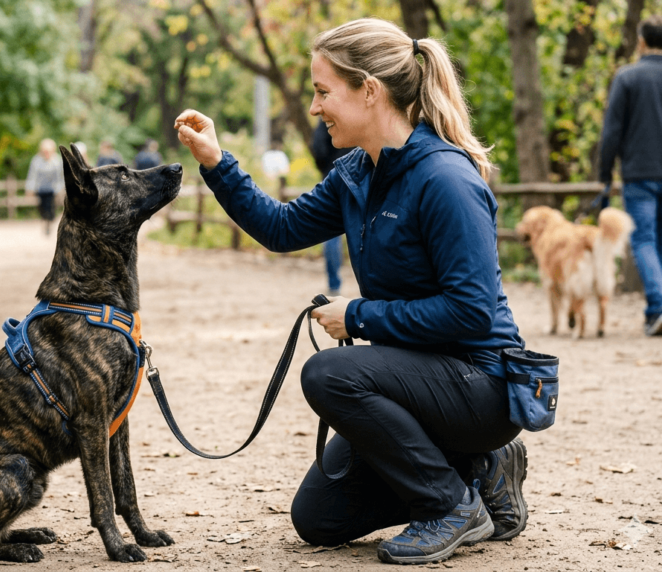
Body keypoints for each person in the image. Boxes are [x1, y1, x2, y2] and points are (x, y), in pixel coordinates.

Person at [175, 18, 529, 565]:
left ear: (369, 90)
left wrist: (359, 317)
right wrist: (218, 164)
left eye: (323, 92)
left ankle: (452, 505)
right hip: (417, 380)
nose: (315, 108)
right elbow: (281, 229)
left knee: (328, 374)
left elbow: (472, 312)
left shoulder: (446, 180)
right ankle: (480, 470)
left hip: (482, 384)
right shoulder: (356, 174)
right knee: (319, 518)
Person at [598, 15, 662, 337]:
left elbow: (612, 131)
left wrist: (605, 174)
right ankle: (654, 312)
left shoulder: (627, 77)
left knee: (643, 239)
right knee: (661, 240)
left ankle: (659, 306)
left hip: (639, 174)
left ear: (641, 42)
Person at [310, 119, 355, 297]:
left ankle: (334, 283)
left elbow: (318, 148)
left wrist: (327, 168)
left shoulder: (327, 120)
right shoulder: (360, 117)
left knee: (331, 235)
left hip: (334, 175)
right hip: (360, 176)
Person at [25, 138, 65, 235]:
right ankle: (45, 221)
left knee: (51, 208)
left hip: (52, 190)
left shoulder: (57, 160)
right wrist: (30, 188)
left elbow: (59, 177)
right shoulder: (36, 160)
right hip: (41, 189)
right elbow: (32, 175)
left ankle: (49, 224)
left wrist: (60, 189)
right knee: (42, 208)